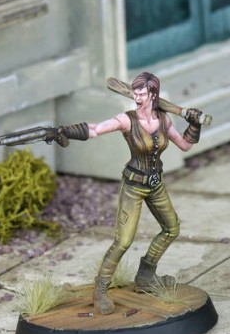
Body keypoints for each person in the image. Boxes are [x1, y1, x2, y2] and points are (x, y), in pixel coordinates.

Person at [55, 72, 203, 314]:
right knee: (123, 241)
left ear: (153, 95)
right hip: (133, 186)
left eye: (142, 94)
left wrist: (194, 124)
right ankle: (100, 289)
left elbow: (185, 145)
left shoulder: (164, 120)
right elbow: (95, 129)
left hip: (155, 184)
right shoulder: (127, 120)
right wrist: (66, 131)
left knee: (172, 229)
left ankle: (145, 276)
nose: (137, 98)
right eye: (135, 93)